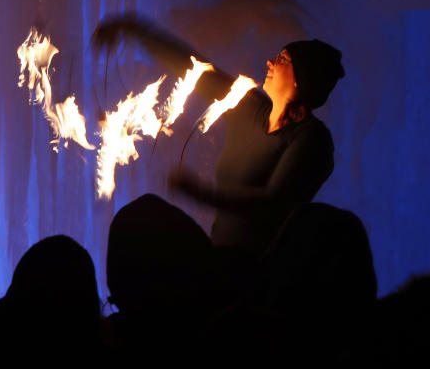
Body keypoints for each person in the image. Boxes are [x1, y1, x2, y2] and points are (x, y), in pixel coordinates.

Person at [93, 14, 344, 255]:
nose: (270, 62)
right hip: (222, 262)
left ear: (300, 78)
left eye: (282, 59)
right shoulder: (248, 108)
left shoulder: (312, 140)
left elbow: (272, 205)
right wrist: (134, 28)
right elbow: (195, 68)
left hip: (264, 276)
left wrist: (201, 193)